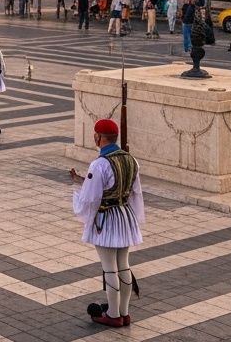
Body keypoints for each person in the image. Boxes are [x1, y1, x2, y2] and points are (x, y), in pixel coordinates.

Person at [73, 118, 144, 328]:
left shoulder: (99, 164)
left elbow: (90, 198)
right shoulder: (132, 160)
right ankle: (124, 312)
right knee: (124, 265)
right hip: (125, 215)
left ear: (100, 138)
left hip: (107, 219)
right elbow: (136, 193)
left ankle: (113, 314)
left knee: (110, 268)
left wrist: (77, 188)